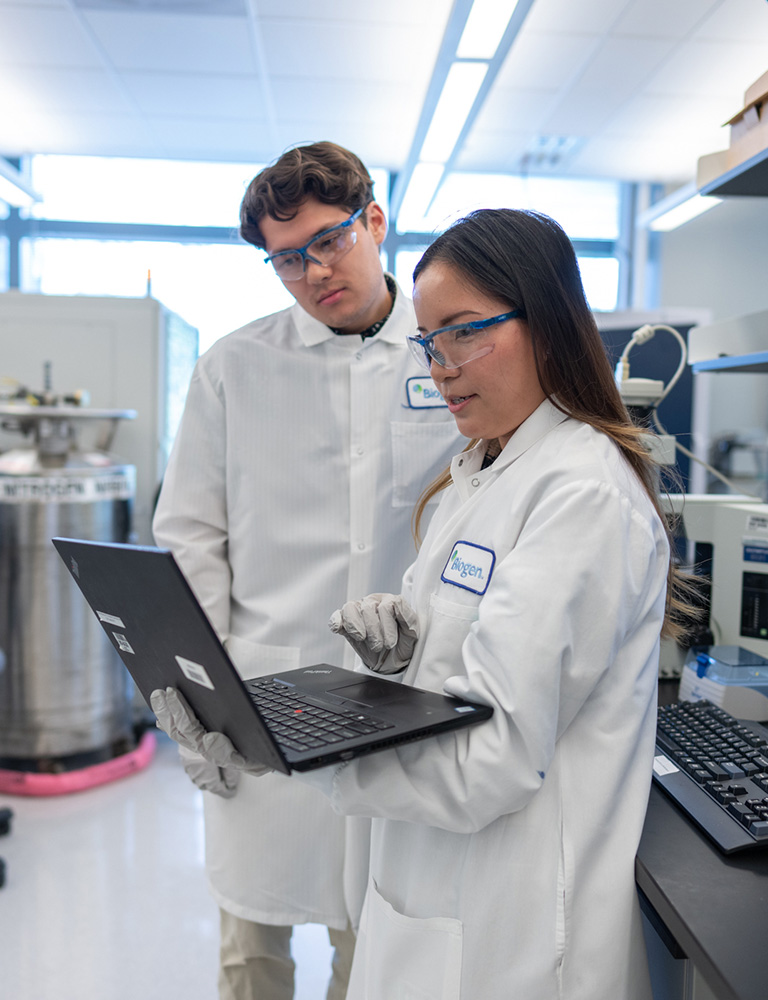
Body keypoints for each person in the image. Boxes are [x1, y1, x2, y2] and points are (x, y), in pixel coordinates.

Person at [153, 207, 694, 999]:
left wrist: (292, 750)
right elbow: (478, 657)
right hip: (433, 900)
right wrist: (408, 655)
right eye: (431, 339)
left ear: (546, 323)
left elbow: (490, 761)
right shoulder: (481, 473)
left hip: (513, 934)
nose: (441, 365)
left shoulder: (580, 495)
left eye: (466, 331)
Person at [151, 141, 460, 1000]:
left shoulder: (449, 360)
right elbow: (190, 540)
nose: (313, 270)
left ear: (375, 221)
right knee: (251, 950)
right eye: (286, 259)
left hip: (401, 703)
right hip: (256, 696)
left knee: (377, 951)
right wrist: (192, 695)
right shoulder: (234, 368)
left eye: (330, 241)